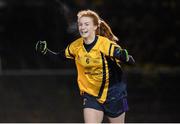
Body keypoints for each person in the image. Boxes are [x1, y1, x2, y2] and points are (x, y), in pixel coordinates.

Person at [35, 9, 135, 123]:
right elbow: (59, 58)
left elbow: (131, 61)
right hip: (91, 96)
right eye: (80, 24)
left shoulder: (105, 44)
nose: (82, 27)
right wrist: (45, 51)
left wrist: (125, 57)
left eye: (86, 24)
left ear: (95, 26)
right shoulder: (75, 46)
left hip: (115, 95)